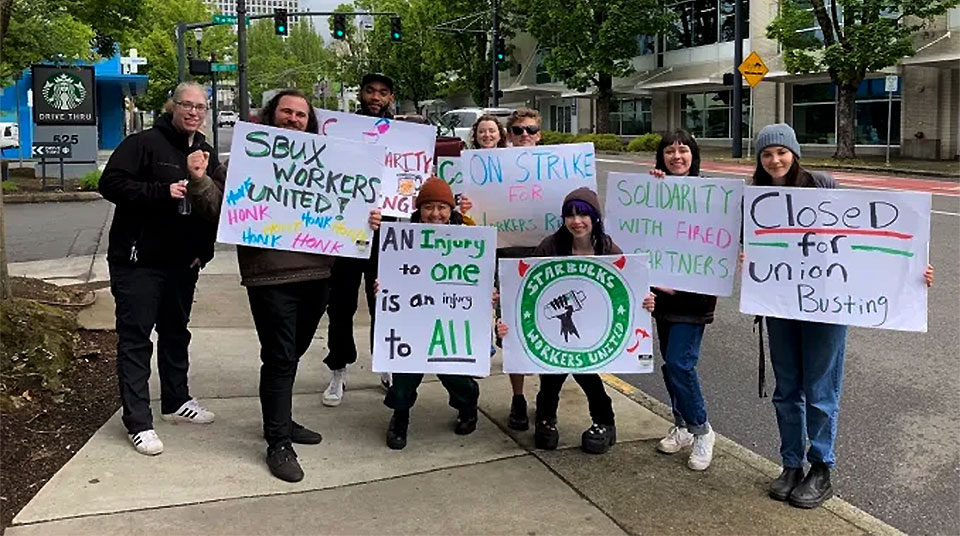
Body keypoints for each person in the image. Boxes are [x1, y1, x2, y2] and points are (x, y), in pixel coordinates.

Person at [189, 89, 383, 482]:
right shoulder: (249, 155)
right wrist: (199, 182)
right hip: (270, 276)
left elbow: (354, 204)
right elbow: (219, 209)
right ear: (271, 115)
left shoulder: (330, 162)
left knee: (291, 355)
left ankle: (280, 420)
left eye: (300, 114)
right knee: (279, 357)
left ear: (309, 121)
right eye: (286, 112)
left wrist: (370, 218)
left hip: (318, 274)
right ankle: (278, 442)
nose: (293, 119)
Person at [747, 124, 935, 508]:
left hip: (826, 305)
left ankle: (821, 468)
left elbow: (862, 241)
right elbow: (738, 240)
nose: (774, 160)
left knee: (820, 390)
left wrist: (917, 269)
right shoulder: (756, 197)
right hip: (779, 302)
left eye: (781, 152)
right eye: (767, 154)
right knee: (787, 390)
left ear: (794, 154)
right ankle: (790, 464)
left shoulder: (822, 186)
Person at [99, 82, 220, 456]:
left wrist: (203, 251)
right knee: (136, 339)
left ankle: (175, 401)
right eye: (187, 104)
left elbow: (213, 206)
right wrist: (160, 192)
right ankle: (138, 421)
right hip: (139, 261)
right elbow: (111, 183)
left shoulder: (206, 151)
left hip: (182, 263)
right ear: (172, 106)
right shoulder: (144, 143)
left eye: (200, 107)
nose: (193, 112)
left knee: (175, 333)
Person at [496, 187, 656, 454]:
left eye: (583, 214)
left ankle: (605, 422)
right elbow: (525, 288)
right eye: (570, 215)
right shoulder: (551, 245)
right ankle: (546, 419)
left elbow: (626, 288)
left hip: (592, 330)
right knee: (551, 376)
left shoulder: (607, 248)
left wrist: (645, 301)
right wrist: (507, 322)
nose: (576, 221)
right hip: (553, 328)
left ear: (595, 217)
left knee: (588, 375)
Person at [382, 177, 483, 450]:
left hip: (452, 318)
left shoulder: (469, 237)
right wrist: (384, 285)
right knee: (405, 373)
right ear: (419, 209)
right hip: (411, 318)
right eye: (428, 207)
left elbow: (482, 274)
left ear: (451, 210)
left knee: (452, 372)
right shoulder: (402, 238)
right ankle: (400, 415)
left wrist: (489, 292)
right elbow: (391, 273)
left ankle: (467, 404)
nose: (435, 214)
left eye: (442, 207)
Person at [322, 73, 396, 407]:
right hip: (347, 232)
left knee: (387, 302)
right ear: (361, 94)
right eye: (370, 91)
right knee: (341, 304)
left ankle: (388, 365)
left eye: (382, 92)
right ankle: (338, 369)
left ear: (390, 97)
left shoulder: (407, 137)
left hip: (390, 232)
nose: (375, 97)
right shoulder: (343, 130)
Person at [647, 130, 717, 471]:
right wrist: (652, 190)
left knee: (680, 363)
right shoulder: (655, 189)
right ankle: (682, 425)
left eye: (683, 150)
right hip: (662, 297)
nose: (677, 156)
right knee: (669, 362)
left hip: (694, 298)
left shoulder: (711, 195)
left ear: (694, 155)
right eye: (670, 151)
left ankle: (702, 429)